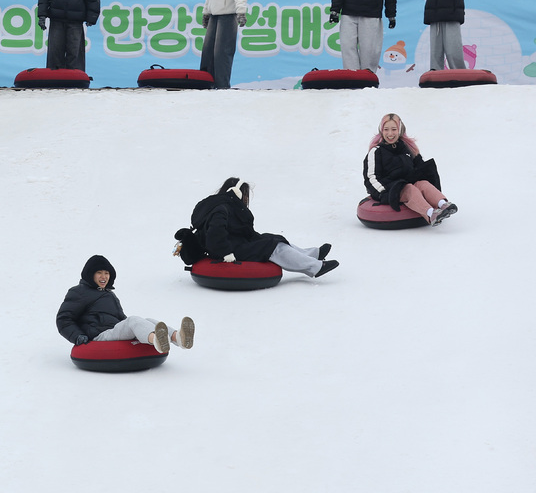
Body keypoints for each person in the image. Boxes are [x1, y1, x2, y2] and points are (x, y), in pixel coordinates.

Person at [190, 178, 339, 278]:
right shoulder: (222, 208)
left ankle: (312, 254)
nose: (246, 200)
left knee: (273, 238)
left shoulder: (225, 205)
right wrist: (225, 253)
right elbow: (215, 233)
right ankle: (314, 267)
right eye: (246, 195)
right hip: (230, 250)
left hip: (236, 243)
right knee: (272, 246)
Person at [56, 255, 194, 354]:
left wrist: (134, 328)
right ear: (90, 274)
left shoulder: (109, 295)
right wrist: (78, 336)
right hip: (98, 336)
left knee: (147, 321)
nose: (104, 277)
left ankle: (179, 338)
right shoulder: (79, 292)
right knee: (133, 321)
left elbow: (121, 319)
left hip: (113, 332)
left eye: (106, 273)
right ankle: (157, 340)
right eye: (99, 273)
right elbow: (64, 319)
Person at [363, 113, 457, 225]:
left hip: (407, 184)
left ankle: (443, 204)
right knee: (409, 188)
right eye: (386, 129)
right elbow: (371, 177)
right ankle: (431, 214)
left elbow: (420, 167)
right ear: (381, 131)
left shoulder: (406, 148)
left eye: (394, 129)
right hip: (389, 189)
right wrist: (383, 193)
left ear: (400, 130)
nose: (390, 133)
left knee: (423, 184)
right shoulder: (376, 151)